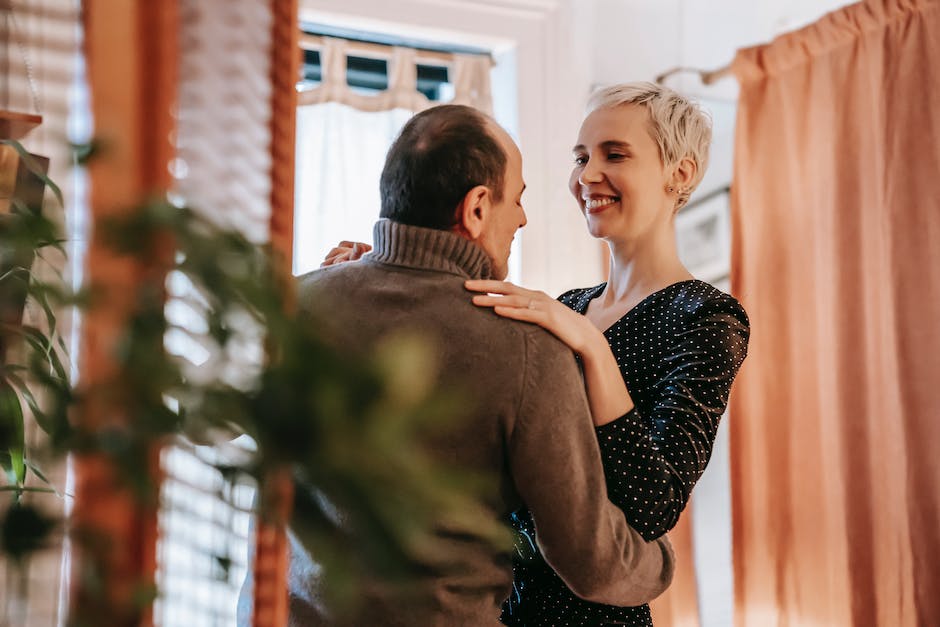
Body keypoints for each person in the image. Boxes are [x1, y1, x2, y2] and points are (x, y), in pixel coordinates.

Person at [291, 103, 675, 626]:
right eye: (516, 200)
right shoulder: (527, 346)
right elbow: (593, 563)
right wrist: (662, 564)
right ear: (476, 209)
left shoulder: (293, 306)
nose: (521, 217)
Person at [464, 83, 750, 625]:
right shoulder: (569, 307)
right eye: (580, 157)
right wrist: (380, 272)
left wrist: (593, 347)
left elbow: (653, 503)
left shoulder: (707, 318)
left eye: (614, 154)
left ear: (680, 174)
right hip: (500, 608)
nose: (586, 175)